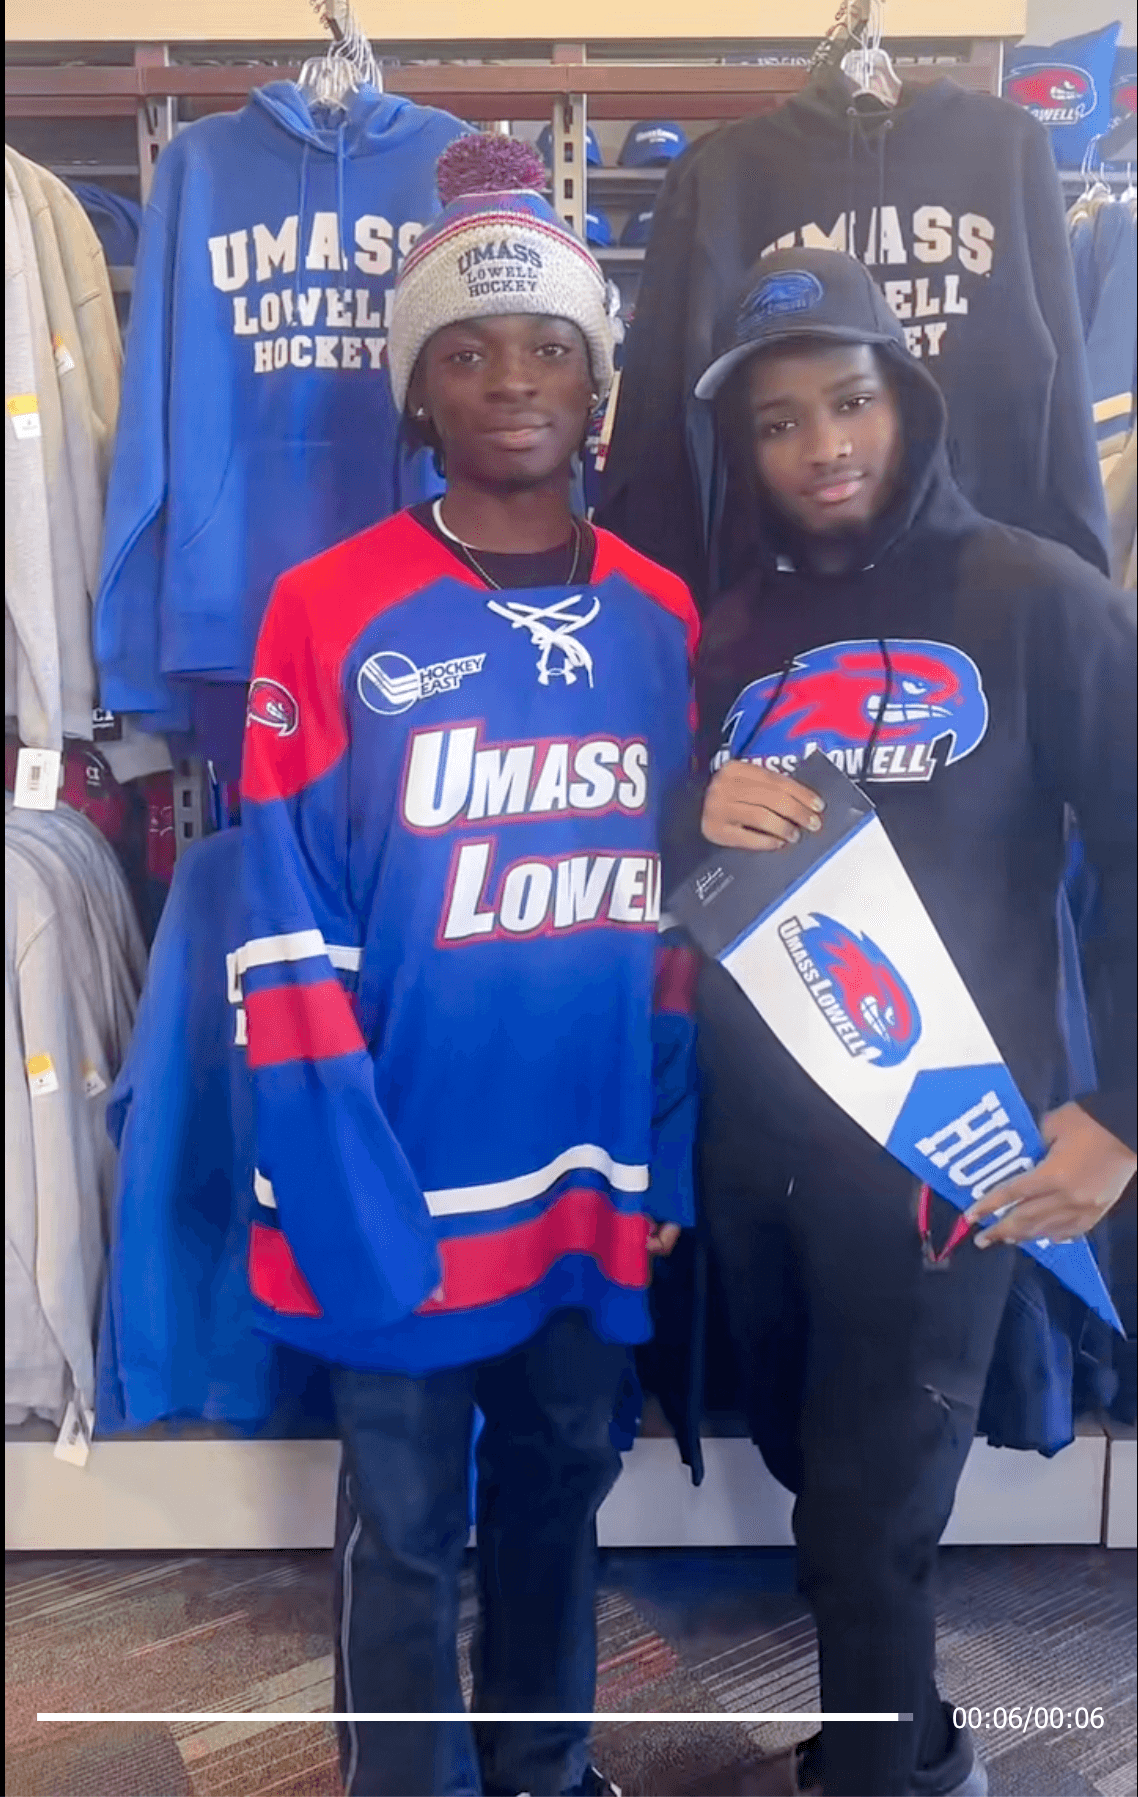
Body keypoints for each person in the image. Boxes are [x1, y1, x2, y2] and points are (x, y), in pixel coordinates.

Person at [238, 133, 700, 1797]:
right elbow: (281, 923)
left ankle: (546, 1768)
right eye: (465, 350)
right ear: (414, 395)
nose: (512, 380)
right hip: (399, 1171)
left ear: (598, 391)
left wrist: (668, 1143)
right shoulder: (326, 609)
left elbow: (672, 923)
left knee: (563, 1488)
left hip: (586, 1169)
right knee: (408, 1520)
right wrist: (336, 1172)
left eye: (549, 350)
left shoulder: (661, 617)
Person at [678, 246, 1136, 1797]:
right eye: (781, 421)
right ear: (739, 449)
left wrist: (1124, 1115)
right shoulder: (724, 626)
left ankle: (887, 1773)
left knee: (869, 1510)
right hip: (755, 1142)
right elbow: (683, 868)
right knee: (820, 1475)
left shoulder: (1034, 595)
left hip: (946, 1138)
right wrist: (691, 807)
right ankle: (909, 1736)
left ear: (908, 404)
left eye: (852, 401)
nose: (824, 447)